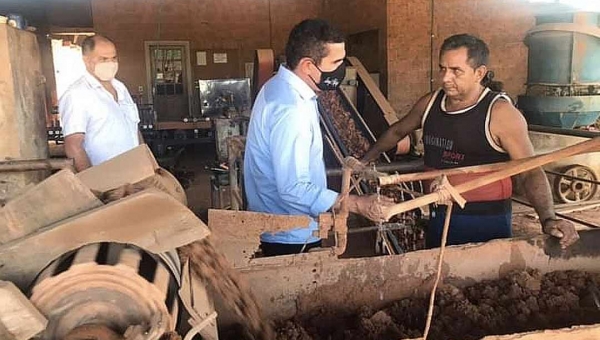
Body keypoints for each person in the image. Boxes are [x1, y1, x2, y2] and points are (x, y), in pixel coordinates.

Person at [361, 34, 579, 249]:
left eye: (456, 71)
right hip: (438, 211)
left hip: (484, 221)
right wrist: (365, 161)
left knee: (481, 275)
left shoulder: (500, 114)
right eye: (442, 68)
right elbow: (398, 130)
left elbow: (530, 170)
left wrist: (548, 218)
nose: (445, 78)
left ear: (479, 73)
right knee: (438, 273)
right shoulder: (430, 103)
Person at [244, 19, 394, 257]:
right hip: (290, 233)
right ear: (307, 66)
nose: (341, 69)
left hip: (276, 222)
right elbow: (293, 188)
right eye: (335, 62)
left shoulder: (277, 86)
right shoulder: (292, 109)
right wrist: (358, 203)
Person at [60, 35, 142, 172]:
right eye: (104, 59)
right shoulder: (77, 95)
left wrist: (145, 163)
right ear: (86, 61)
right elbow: (73, 146)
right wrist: (95, 184)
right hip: (108, 180)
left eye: (114, 58)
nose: (111, 63)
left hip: (135, 173)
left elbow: (134, 129)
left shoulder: (120, 88)